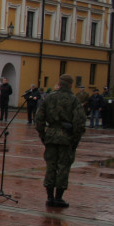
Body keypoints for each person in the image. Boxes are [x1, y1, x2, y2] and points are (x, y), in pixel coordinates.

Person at [35, 74, 86, 207]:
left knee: (51, 166)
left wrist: (43, 135)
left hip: (51, 135)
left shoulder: (49, 97)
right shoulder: (73, 100)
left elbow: (39, 118)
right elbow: (80, 122)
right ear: (70, 85)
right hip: (66, 137)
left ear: (59, 83)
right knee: (63, 167)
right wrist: (75, 139)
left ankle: (50, 197)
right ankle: (58, 197)